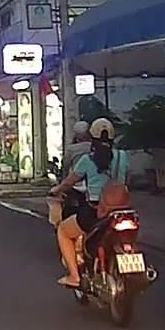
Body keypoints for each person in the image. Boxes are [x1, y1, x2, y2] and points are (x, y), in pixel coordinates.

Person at [49, 118, 129, 288]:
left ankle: (74, 276)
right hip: (122, 210)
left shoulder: (88, 160)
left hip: (95, 212)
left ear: (92, 138)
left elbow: (69, 182)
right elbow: (126, 179)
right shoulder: (122, 156)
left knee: (63, 231)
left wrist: (57, 189)